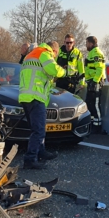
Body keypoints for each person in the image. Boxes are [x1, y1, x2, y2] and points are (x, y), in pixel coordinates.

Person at [19, 40, 65, 169]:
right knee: (38, 130)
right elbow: (54, 70)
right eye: (55, 56)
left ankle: (41, 151)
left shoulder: (30, 55)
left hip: (26, 96)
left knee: (38, 128)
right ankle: (30, 159)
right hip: (35, 96)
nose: (54, 58)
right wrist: (65, 72)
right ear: (54, 51)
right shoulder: (44, 54)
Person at [84, 36, 106, 133]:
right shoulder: (91, 53)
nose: (86, 45)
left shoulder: (97, 53)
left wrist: (95, 81)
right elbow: (90, 68)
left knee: (95, 104)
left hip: (95, 82)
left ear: (91, 43)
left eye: (87, 43)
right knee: (89, 103)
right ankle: (92, 124)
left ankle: (98, 127)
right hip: (91, 82)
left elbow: (100, 69)